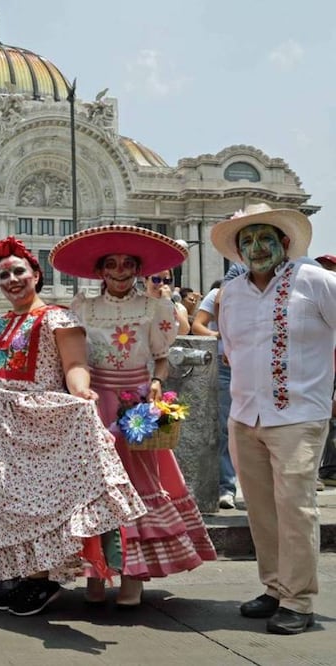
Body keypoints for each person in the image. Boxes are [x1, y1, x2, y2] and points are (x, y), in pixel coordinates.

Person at [50, 225, 216, 608]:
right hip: (93, 402)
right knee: (93, 486)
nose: (120, 271)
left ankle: (133, 574)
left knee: (137, 484)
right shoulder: (82, 308)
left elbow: (160, 355)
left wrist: (157, 384)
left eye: (127, 264)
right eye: (112, 264)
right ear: (100, 270)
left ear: (138, 269)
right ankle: (95, 573)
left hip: (134, 405)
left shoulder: (155, 308)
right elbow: (73, 357)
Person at [0, 237, 146, 616]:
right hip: (4, 426)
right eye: (4, 274)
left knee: (43, 504)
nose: (12, 279)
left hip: (44, 422)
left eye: (19, 271)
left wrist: (82, 392)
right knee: (11, 503)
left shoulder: (57, 317)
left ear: (36, 275)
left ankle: (46, 580)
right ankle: (30, 577)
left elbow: (74, 365)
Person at [213, 204, 336, 635]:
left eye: (265, 238)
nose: (256, 248)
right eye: (246, 241)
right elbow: (231, 349)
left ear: (284, 242)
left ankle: (298, 599)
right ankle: (275, 587)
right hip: (246, 414)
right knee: (262, 510)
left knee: (296, 508)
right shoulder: (232, 294)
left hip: (300, 413)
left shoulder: (316, 281)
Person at [192, 276, 240, 509]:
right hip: (224, 367)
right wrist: (219, 336)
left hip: (255, 366)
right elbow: (198, 325)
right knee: (225, 427)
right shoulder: (219, 293)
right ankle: (226, 487)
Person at [313, 254, 336, 488]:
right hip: (321, 366)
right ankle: (321, 472)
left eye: (330, 267)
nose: (325, 270)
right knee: (321, 417)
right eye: (322, 267)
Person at [143, 270, 190, 334]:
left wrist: (168, 301)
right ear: (145, 281)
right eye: (156, 279)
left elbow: (184, 330)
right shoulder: (135, 305)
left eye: (166, 281)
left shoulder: (179, 308)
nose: (161, 284)